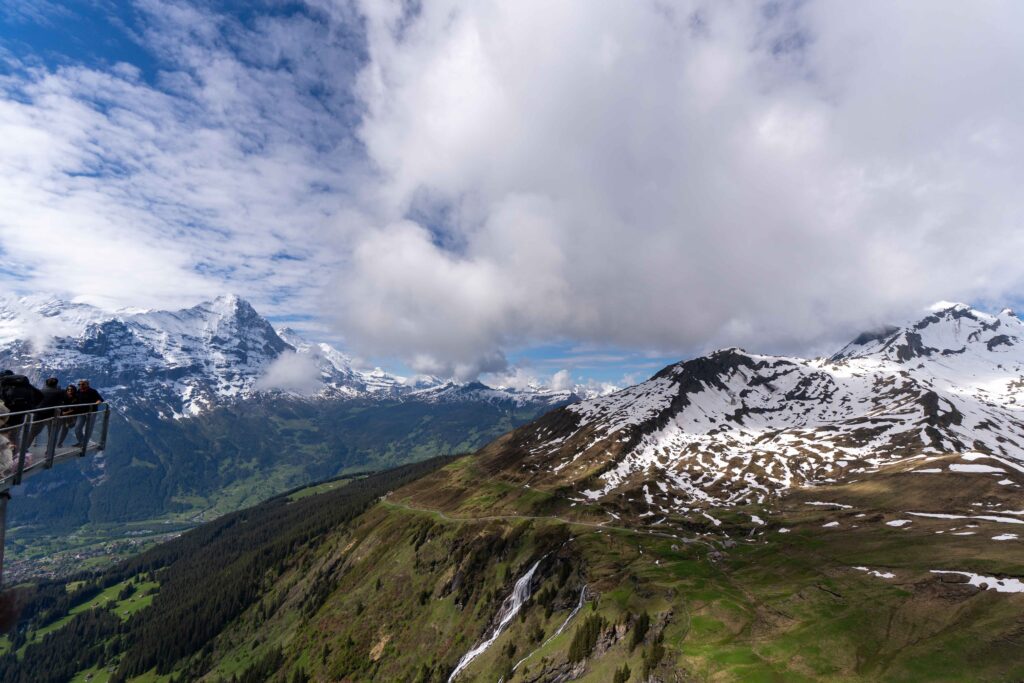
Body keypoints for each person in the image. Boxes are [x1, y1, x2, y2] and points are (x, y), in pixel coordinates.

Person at [0, 371, 43, 448]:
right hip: (20, 416)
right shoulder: (24, 385)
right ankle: (17, 456)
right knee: (15, 437)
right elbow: (40, 395)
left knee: (3, 437)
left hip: (5, 417)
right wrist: (31, 407)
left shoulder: (3, 385)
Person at [29, 377, 67, 446]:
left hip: (39, 414)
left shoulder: (40, 391)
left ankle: (24, 449)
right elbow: (66, 399)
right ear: (56, 384)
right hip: (53, 415)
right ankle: (49, 451)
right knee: (52, 434)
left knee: (33, 433)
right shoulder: (61, 391)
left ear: (46, 384)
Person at [70, 379, 103, 447]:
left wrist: (95, 404)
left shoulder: (93, 391)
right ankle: (81, 441)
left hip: (91, 412)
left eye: (83, 384)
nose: (81, 386)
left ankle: (84, 443)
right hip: (81, 412)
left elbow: (100, 399)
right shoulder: (79, 391)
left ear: (87, 384)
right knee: (77, 428)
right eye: (79, 384)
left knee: (89, 428)